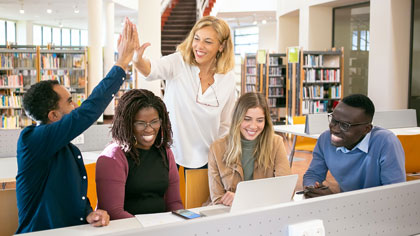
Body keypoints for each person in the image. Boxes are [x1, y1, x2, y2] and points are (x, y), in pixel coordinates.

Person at [15, 18, 138, 233]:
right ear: (53, 115)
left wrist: (89, 213)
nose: (76, 107)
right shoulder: (31, 140)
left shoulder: (67, 149)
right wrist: (122, 63)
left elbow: (71, 198)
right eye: (70, 102)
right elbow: (87, 112)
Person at [132, 16, 236, 169]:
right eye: (196, 38)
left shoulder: (228, 79)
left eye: (208, 42)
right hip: (170, 155)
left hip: (207, 159)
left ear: (221, 46)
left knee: (199, 194)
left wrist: (219, 158)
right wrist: (137, 60)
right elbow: (151, 70)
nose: (199, 46)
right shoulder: (179, 63)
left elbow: (225, 125)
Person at [95, 89, 183, 219]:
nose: (149, 129)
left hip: (160, 228)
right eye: (141, 124)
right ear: (127, 124)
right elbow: (114, 213)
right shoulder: (112, 157)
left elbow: (174, 203)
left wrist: (185, 222)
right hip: (128, 230)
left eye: (154, 121)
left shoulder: (165, 152)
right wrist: (150, 230)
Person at [303, 94, 406, 198]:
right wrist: (312, 188)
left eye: (345, 125)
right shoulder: (325, 139)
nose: (335, 129)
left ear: (366, 129)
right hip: (347, 207)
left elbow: (394, 194)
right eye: (334, 120)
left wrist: (334, 199)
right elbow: (313, 174)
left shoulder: (386, 142)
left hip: (379, 208)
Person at [207, 92, 292, 205]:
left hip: (265, 213)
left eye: (260, 120)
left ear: (266, 122)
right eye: (247, 119)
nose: (253, 126)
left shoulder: (276, 143)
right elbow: (217, 199)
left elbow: (286, 190)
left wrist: (242, 199)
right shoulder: (217, 148)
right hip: (229, 214)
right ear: (238, 118)